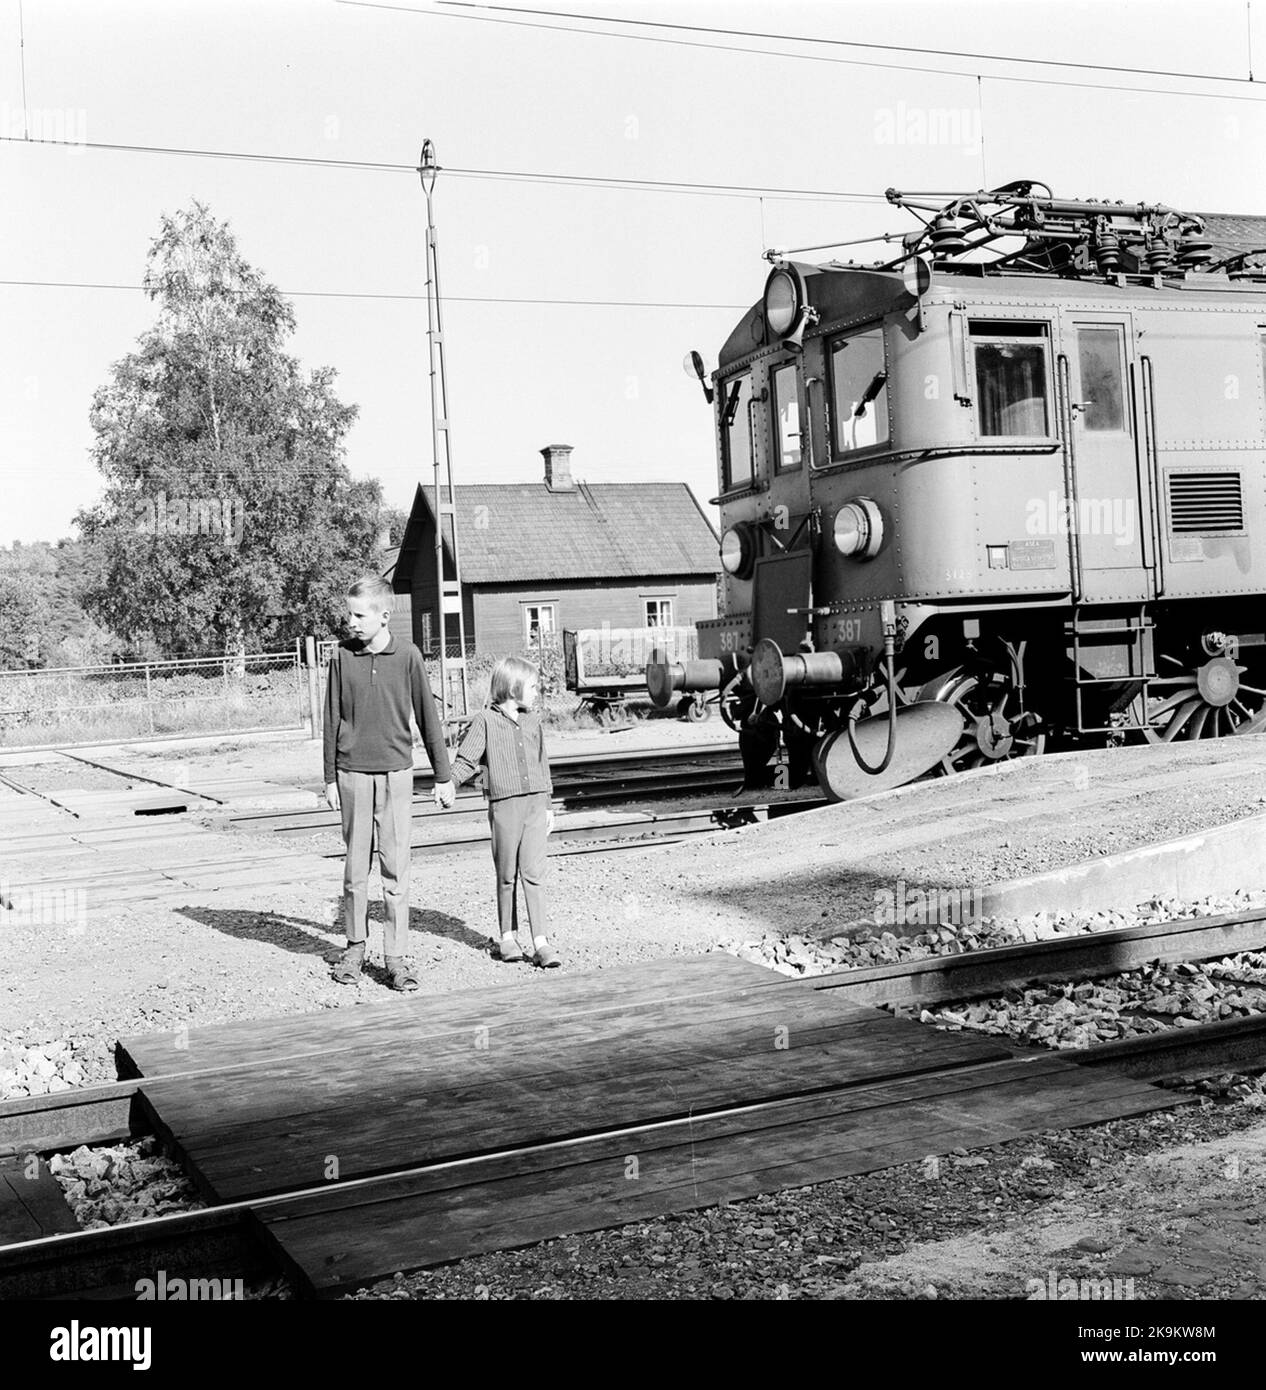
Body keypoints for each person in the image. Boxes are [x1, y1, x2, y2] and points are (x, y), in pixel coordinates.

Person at [323, 577, 455, 990]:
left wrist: (443, 775)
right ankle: (355, 948)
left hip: (397, 774)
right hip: (352, 774)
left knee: (396, 870)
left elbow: (428, 719)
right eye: (350, 614)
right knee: (355, 871)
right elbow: (330, 719)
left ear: (384, 615)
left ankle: (395, 958)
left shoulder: (409, 657)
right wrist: (329, 776)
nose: (352, 623)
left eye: (359, 615)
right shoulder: (341, 658)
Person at [446, 655, 559, 967]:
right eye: (532, 686)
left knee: (534, 873)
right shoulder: (484, 720)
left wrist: (548, 803)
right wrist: (450, 783)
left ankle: (541, 942)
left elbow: (542, 761)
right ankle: (507, 936)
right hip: (504, 806)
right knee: (506, 873)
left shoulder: (533, 720)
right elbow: (467, 759)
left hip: (535, 804)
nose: (537, 692)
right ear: (513, 688)